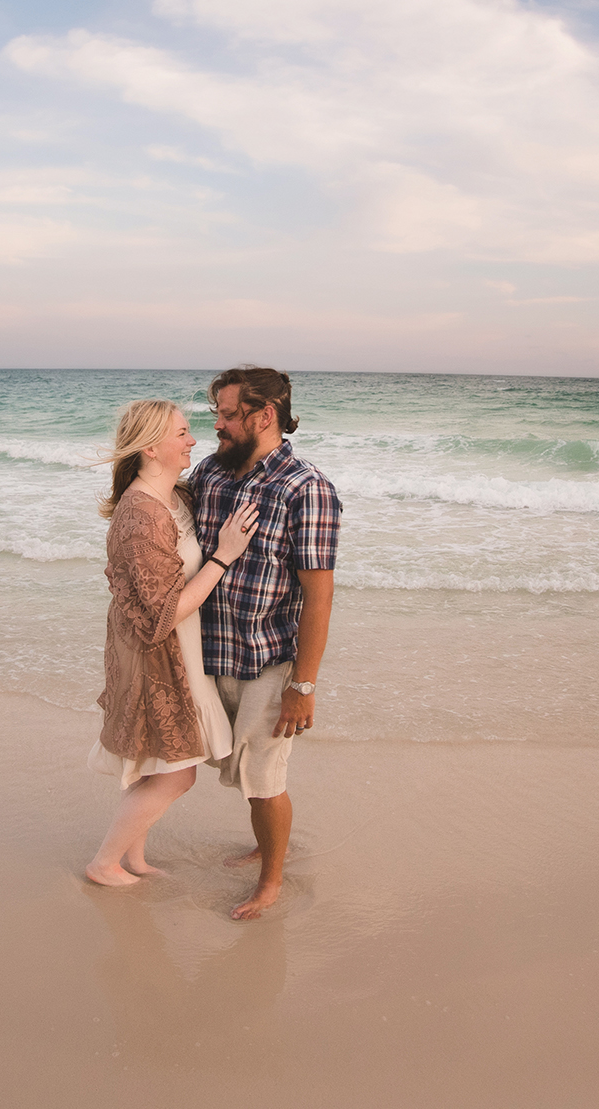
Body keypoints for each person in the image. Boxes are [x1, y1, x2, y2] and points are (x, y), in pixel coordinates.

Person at [85, 399, 260, 887]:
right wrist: (223, 558)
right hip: (155, 654)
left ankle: (131, 857)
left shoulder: (176, 498)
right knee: (179, 772)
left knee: (156, 765)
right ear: (150, 447)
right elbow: (163, 612)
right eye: (182, 433)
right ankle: (103, 863)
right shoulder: (140, 515)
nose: (193, 441)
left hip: (181, 649)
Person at [188, 366, 340, 920]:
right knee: (238, 770)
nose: (219, 426)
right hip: (211, 652)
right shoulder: (211, 472)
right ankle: (263, 844)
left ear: (264, 415)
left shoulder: (307, 488)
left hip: (270, 659)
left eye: (229, 415)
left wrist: (304, 684)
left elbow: (319, 596)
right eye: (217, 415)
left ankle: (270, 879)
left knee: (264, 775)